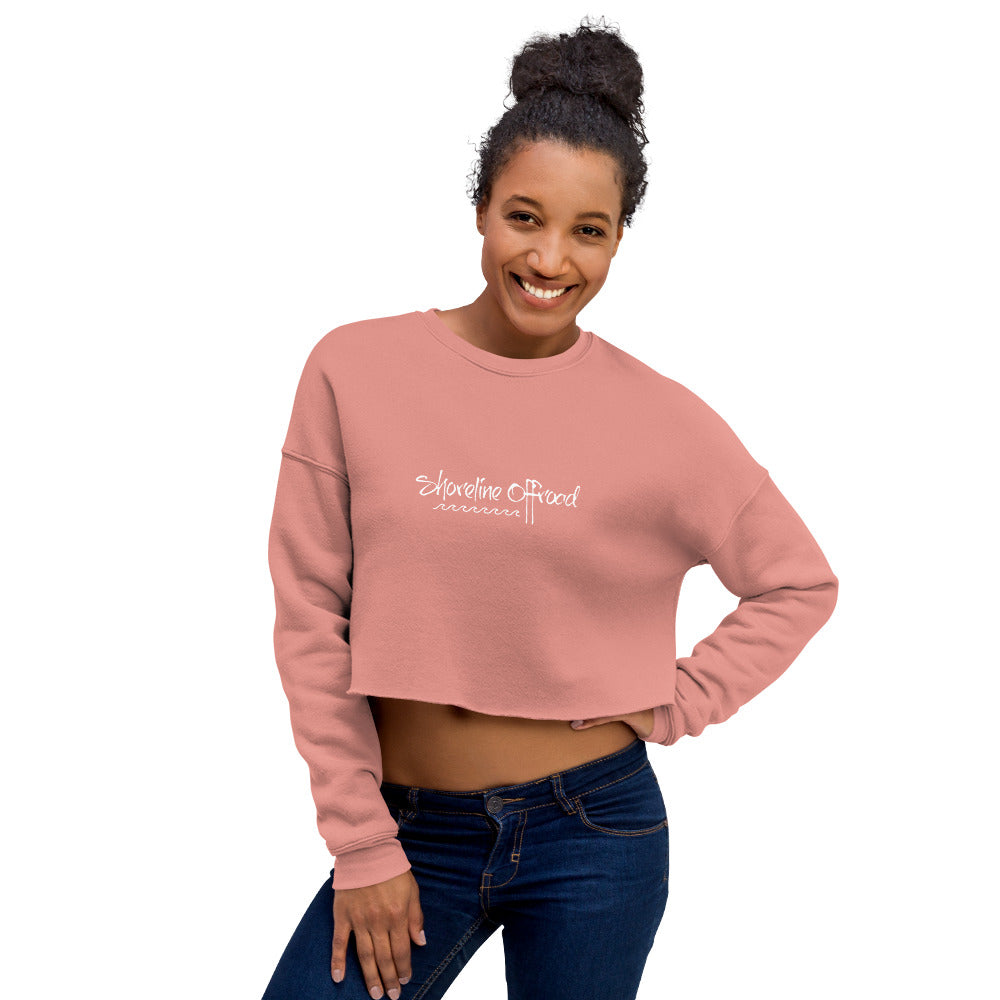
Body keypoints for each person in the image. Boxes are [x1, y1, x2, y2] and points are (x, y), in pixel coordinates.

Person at [262, 16, 838, 1000]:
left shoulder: (663, 419)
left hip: (596, 832)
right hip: (406, 826)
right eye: (523, 216)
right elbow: (312, 615)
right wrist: (360, 842)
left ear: (618, 239)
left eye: (588, 230)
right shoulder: (354, 368)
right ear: (479, 208)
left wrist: (676, 697)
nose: (550, 258)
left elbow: (797, 580)